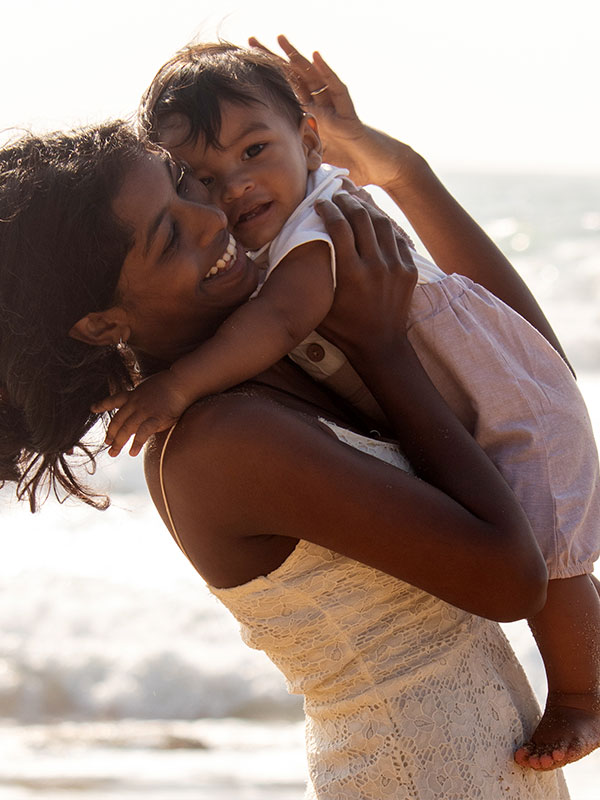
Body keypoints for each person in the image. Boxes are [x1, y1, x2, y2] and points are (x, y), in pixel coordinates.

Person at [0, 118, 570, 798]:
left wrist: (408, 177)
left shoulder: (282, 344)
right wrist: (382, 349)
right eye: (170, 236)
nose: (211, 219)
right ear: (101, 324)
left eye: (186, 185)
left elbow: (532, 385)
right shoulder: (222, 439)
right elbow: (511, 581)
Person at [95, 38, 600, 771]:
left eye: (255, 150)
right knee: (545, 550)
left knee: (555, 554)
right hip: (408, 760)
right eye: (200, 180)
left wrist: (176, 384)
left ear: (309, 141)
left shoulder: (318, 227)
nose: (232, 188)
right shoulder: (224, 430)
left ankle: (583, 693)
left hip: (506, 400)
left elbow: (274, 326)